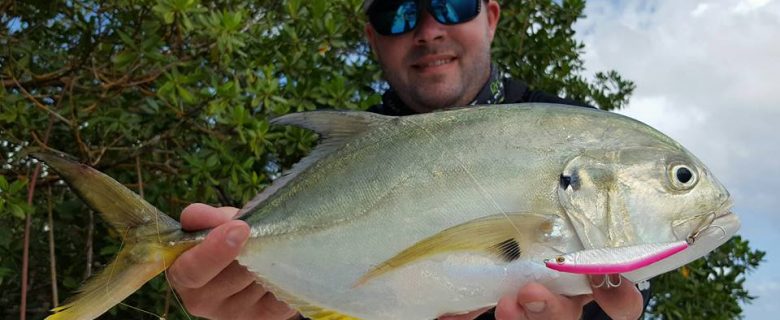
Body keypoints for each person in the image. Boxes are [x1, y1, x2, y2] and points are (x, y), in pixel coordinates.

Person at [168, 1, 648, 319]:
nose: (428, 30)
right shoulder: (345, 164)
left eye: (453, 2)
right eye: (397, 12)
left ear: (492, 17)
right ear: (373, 38)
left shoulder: (580, 134)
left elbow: (630, 277)